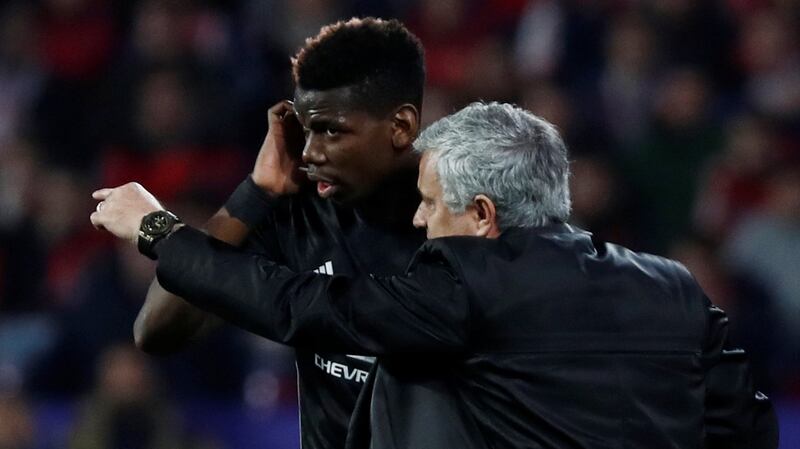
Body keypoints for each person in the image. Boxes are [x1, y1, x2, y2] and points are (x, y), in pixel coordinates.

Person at [92, 102, 778, 449]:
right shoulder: (673, 284)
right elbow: (746, 425)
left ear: (482, 214)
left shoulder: (459, 290)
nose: (419, 219)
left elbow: (291, 301)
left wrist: (159, 231)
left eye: (430, 199)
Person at [129, 17, 428, 449]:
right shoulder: (301, 213)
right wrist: (256, 191)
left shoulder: (461, 227)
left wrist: (155, 229)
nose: (309, 152)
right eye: (305, 129)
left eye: (330, 130)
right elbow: (157, 329)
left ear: (400, 126)